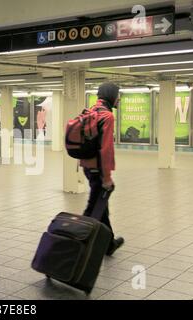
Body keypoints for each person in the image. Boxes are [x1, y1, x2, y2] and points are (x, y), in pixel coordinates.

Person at [80, 82, 124, 256]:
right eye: (117, 95)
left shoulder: (91, 111)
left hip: (87, 166)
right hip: (98, 169)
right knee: (93, 209)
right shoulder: (107, 116)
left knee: (100, 206)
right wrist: (107, 177)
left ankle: (109, 244)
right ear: (110, 96)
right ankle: (76, 242)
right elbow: (106, 150)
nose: (119, 98)